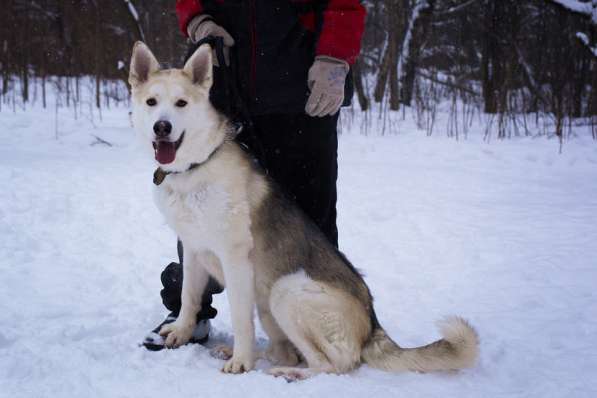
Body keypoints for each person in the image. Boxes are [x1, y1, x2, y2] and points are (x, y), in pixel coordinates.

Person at [143, 0, 366, 350]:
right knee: (201, 213)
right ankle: (190, 314)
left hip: (303, 94)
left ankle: (328, 324)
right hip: (227, 91)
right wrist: (198, 20)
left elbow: (345, 5)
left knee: (309, 224)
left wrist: (334, 57)